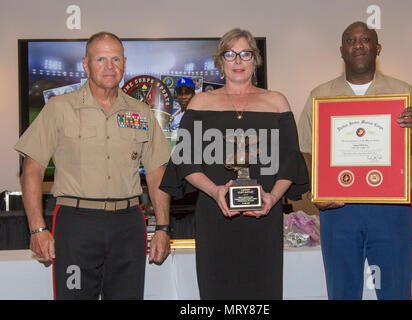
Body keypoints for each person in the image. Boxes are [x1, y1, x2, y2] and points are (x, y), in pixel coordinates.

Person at [14, 32, 171, 300]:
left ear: (124, 63)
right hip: (76, 226)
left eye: (116, 59)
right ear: (86, 65)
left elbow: (157, 173)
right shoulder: (60, 108)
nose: (109, 66)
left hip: (128, 224)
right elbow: (32, 168)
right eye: (101, 59)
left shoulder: (141, 112)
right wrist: (37, 229)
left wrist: (163, 228)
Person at [160, 28, 310, 299]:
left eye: (245, 54)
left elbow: (290, 160)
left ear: (256, 61)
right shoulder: (201, 102)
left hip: (265, 214)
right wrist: (216, 191)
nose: (238, 60)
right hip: (215, 214)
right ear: (220, 62)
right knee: (217, 290)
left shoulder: (277, 102)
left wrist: (273, 197)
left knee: (263, 290)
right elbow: (186, 162)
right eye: (230, 54)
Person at [297, 21, 412, 300]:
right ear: (341, 50)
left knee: (394, 290)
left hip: (390, 206)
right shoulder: (320, 96)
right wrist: (315, 193)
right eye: (350, 40)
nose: (358, 45)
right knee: (342, 291)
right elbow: (305, 153)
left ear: (378, 48)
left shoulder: (403, 91)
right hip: (338, 208)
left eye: (365, 39)